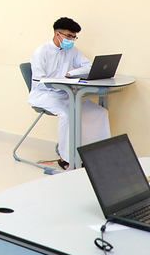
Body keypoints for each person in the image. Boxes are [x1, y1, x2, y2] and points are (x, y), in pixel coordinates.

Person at [28, 17, 110, 170]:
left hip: (65, 94)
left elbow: (88, 66)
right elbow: (39, 80)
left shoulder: (72, 50)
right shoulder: (41, 52)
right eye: (69, 36)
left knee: (98, 111)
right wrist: (61, 81)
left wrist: (71, 73)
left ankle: (95, 154)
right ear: (57, 34)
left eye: (74, 37)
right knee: (67, 114)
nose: (72, 40)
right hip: (45, 94)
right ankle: (66, 158)